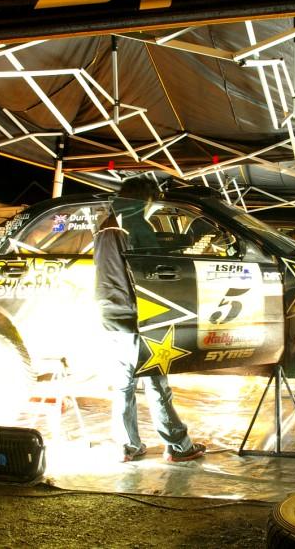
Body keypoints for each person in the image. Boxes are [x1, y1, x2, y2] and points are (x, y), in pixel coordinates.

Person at [94, 176, 206, 463]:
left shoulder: (106, 222)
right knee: (156, 384)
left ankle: (127, 446)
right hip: (137, 314)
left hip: (108, 314)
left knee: (123, 386)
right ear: (144, 198)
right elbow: (156, 268)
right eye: (152, 201)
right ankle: (178, 446)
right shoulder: (136, 224)